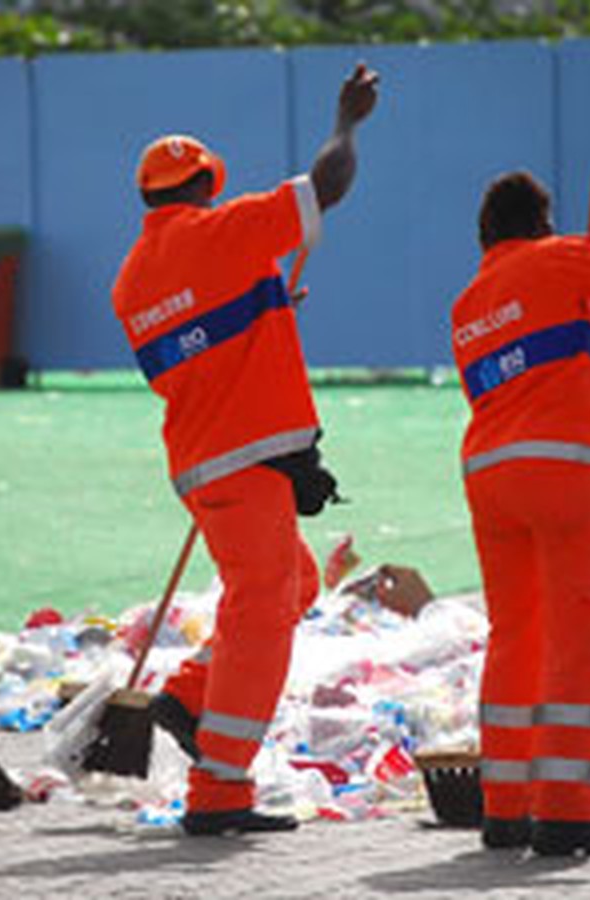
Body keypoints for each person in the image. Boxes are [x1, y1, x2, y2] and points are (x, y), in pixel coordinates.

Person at [111, 62, 379, 836]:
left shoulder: (131, 279)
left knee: (292, 582)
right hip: (243, 458)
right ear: (204, 186)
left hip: (202, 463)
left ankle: (191, 697)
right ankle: (219, 792)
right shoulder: (224, 232)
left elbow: (196, 340)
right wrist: (348, 122)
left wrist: (263, 307)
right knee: (264, 610)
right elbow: (325, 185)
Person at [449, 171, 590, 856]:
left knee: (516, 633)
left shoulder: (466, 304)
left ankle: (506, 808)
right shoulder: (565, 256)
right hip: (557, 466)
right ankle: (570, 811)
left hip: (487, 474)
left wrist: (580, 264)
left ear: (486, 235)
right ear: (542, 224)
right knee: (580, 628)